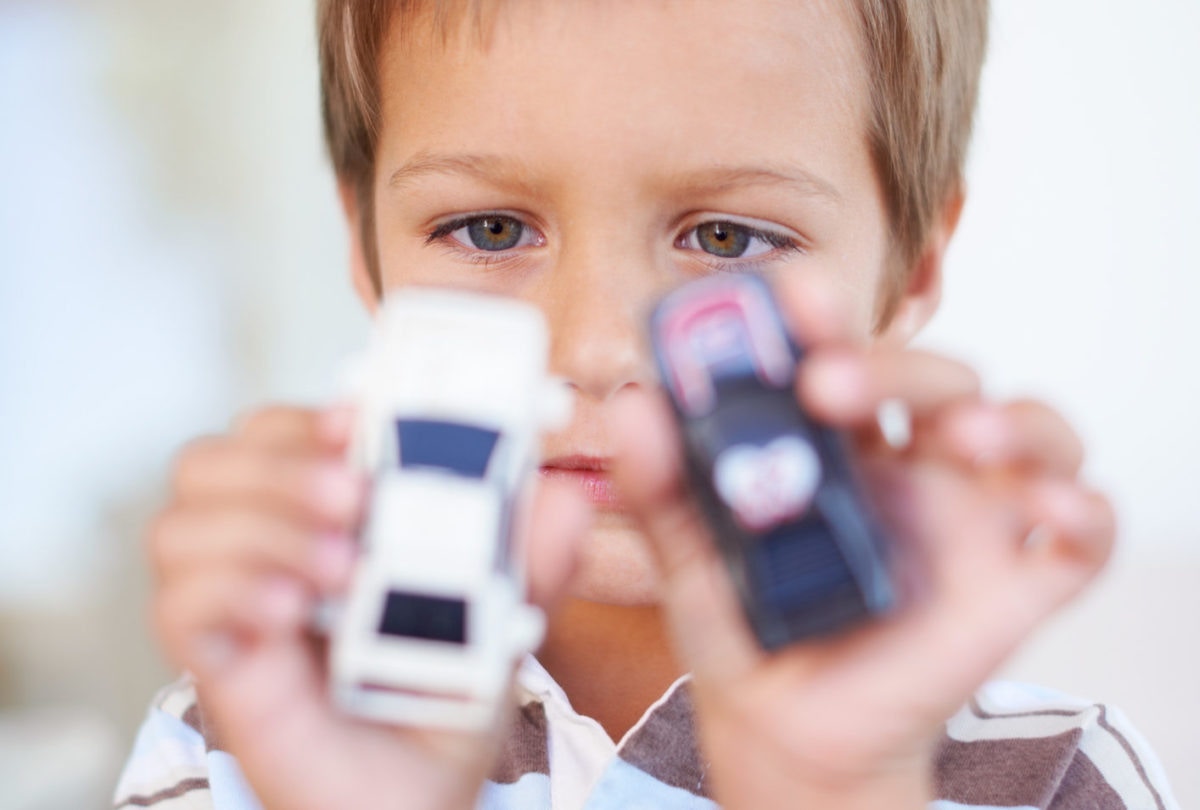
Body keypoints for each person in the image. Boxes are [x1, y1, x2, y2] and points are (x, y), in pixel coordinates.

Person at [113, 1, 1179, 808]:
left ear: (909, 273)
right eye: (490, 230)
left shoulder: (1058, 780)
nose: (595, 347)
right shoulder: (237, 746)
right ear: (363, 254)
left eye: (725, 239)